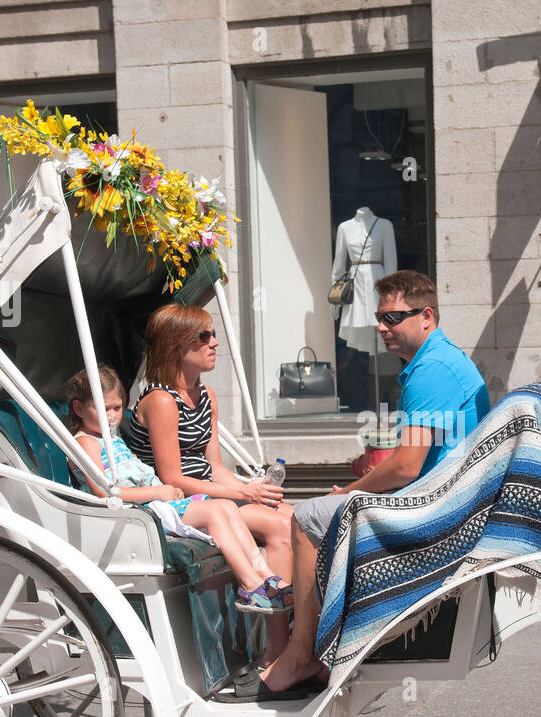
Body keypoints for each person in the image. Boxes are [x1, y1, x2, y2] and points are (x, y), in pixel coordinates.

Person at [259, 269, 490, 693]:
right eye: (379, 319)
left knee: (306, 517)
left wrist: (347, 491)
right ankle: (326, 648)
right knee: (325, 512)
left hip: (434, 507)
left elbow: (405, 467)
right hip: (441, 495)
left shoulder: (432, 370)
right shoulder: (436, 361)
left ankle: (302, 653)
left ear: (427, 315)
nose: (382, 327)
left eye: (393, 317)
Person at [66, 366, 289, 611]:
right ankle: (248, 584)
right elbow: (105, 492)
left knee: (225, 506)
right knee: (214, 512)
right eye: (103, 408)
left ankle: (264, 574)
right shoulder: (87, 442)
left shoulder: (112, 438)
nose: (111, 416)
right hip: (135, 513)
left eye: (117, 408)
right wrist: (158, 491)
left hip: (153, 506)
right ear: (78, 408)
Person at [127, 304, 293, 586]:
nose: (214, 342)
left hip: (212, 493)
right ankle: (274, 615)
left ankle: (291, 614)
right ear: (174, 345)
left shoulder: (207, 396)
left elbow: (214, 467)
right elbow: (173, 478)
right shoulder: (161, 401)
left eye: (213, 334)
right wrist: (241, 491)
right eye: (202, 336)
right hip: (183, 502)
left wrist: (251, 491)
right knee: (282, 527)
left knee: (296, 517)